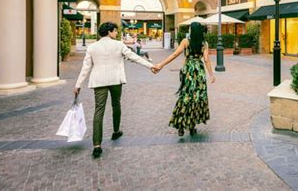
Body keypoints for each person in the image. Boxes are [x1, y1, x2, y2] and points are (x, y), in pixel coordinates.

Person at [73, 22, 154, 158]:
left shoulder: (92, 47)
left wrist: (78, 84)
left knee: (99, 110)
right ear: (110, 32)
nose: (116, 33)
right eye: (115, 31)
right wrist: (150, 66)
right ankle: (116, 131)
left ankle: (97, 145)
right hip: (116, 80)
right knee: (116, 104)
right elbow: (134, 57)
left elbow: (86, 67)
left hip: (99, 81)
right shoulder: (118, 45)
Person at [152, 22, 215, 136]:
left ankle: (181, 125)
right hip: (199, 72)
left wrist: (161, 64)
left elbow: (174, 55)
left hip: (188, 71)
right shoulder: (204, 43)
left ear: (192, 31)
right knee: (197, 98)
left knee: (185, 96)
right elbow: (206, 60)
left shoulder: (186, 41)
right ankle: (192, 126)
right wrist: (211, 75)